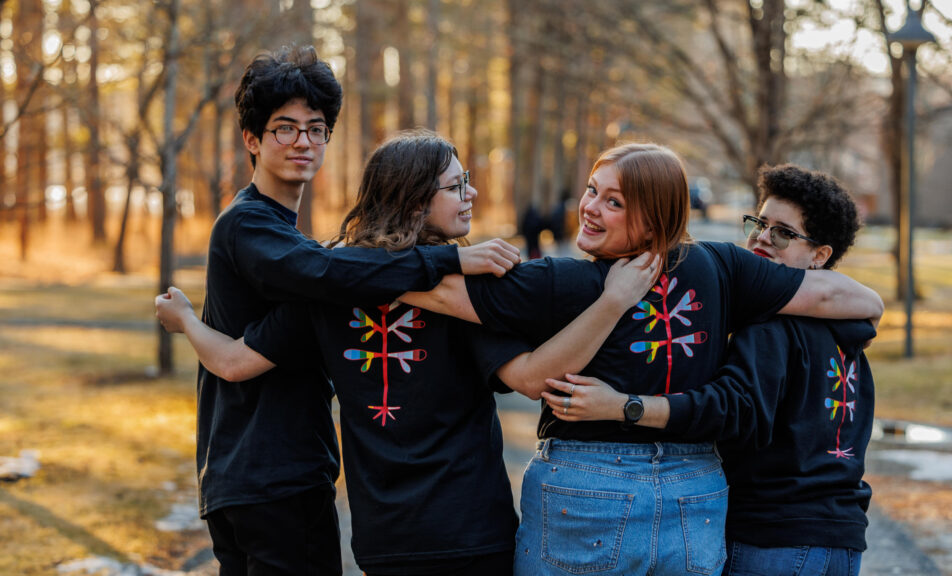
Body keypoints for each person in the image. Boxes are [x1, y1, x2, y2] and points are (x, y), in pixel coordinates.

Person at [157, 130, 660, 575]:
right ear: (415, 199)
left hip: (384, 538)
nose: (473, 194)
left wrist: (186, 322)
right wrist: (613, 302)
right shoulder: (465, 289)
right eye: (457, 186)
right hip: (470, 532)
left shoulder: (330, 286)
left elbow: (233, 362)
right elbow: (531, 379)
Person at [401, 144, 883, 576]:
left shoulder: (565, 282)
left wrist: (360, 259)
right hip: (696, 498)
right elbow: (852, 300)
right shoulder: (723, 267)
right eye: (592, 190)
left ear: (654, 221)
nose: (589, 207)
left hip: (592, 493)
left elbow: (433, 292)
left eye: (614, 202)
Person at [172, 47, 518, 576]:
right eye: (284, 128)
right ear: (252, 140)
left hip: (255, 477)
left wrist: (189, 324)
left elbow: (251, 347)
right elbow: (329, 275)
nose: (303, 142)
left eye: (316, 129)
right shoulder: (249, 226)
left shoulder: (283, 236)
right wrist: (452, 258)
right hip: (272, 474)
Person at [543, 164, 875, 576]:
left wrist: (624, 406)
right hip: (842, 544)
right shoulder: (850, 340)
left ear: (819, 256)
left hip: (773, 541)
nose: (762, 238)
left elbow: (733, 409)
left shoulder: (772, 325)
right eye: (759, 222)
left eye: (783, 233)